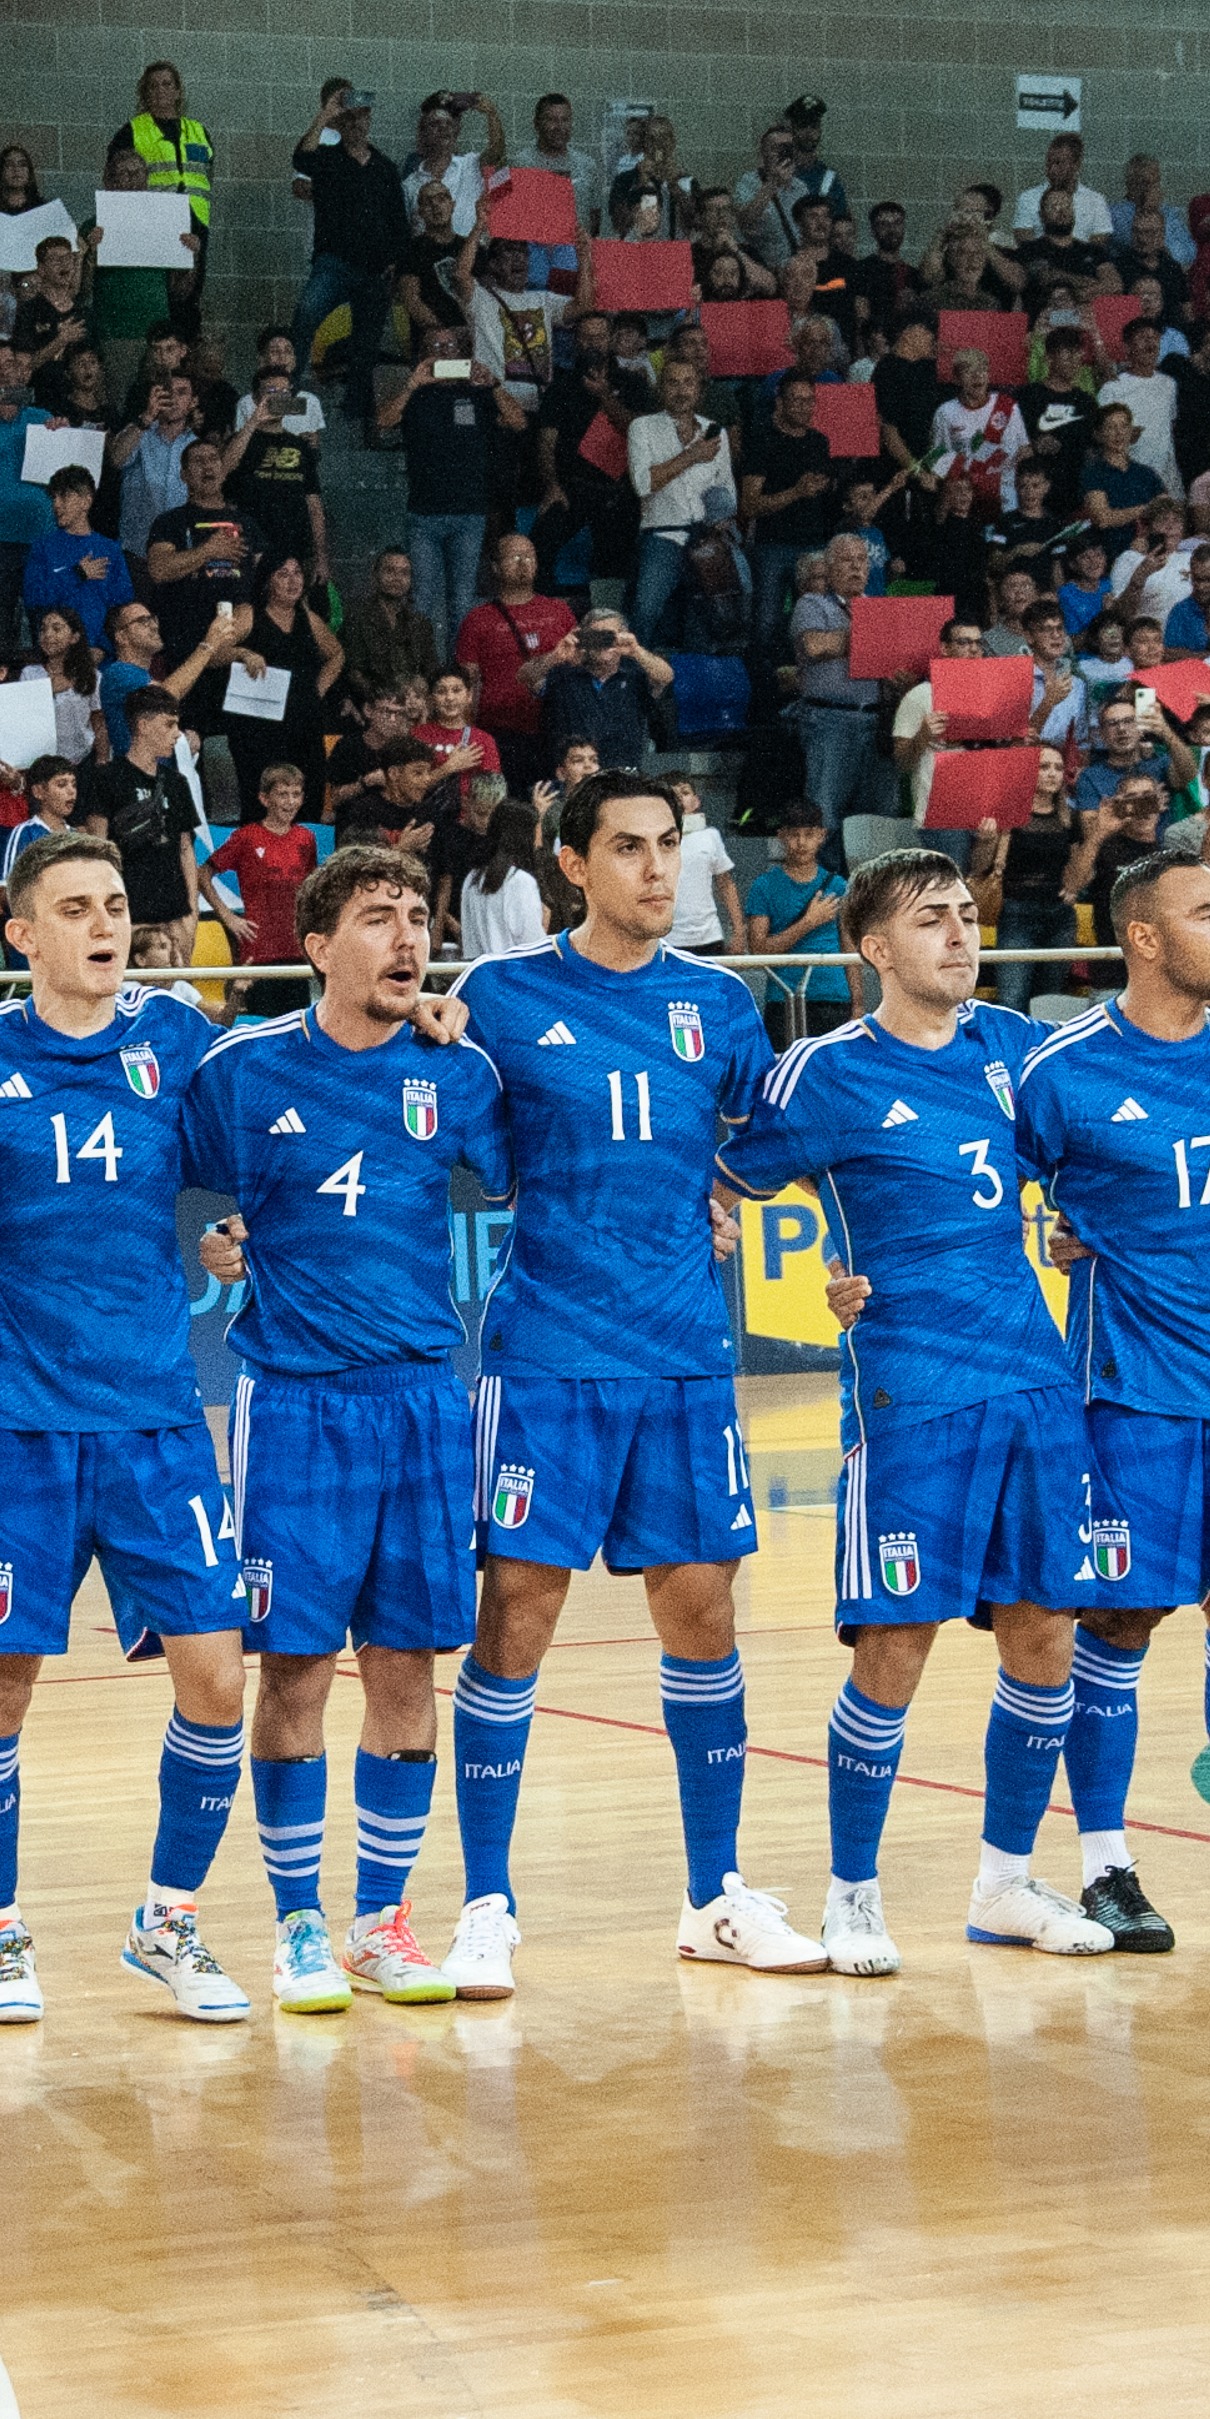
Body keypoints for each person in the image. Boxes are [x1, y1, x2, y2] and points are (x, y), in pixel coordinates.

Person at [711, 845, 1118, 1963]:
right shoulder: (821, 1072)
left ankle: (1004, 1884)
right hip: (906, 1400)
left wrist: (1075, 1219)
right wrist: (812, 1292)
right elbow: (713, 1184)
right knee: (893, 1645)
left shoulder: (1018, 1053)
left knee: (1043, 1634)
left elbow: (1098, 1147)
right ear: (873, 948)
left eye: (964, 913)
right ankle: (851, 1891)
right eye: (931, 920)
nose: (960, 933)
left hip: (1033, 1386)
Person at [0, 832, 263, 2025]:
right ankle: (1, 1938)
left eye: (114, 904)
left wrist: (239, 1235)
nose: (105, 926)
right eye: (75, 908)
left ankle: (168, 1922)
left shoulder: (176, 1038)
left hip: (154, 1418)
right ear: (21, 931)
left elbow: (278, 1132)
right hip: (13, 1422)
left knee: (216, 1680)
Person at [444, 774, 802, 1979]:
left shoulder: (721, 1002)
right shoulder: (496, 994)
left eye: (671, 847)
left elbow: (772, 1136)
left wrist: (727, 1190)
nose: (658, 870)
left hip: (686, 1361)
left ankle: (715, 1896)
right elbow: (440, 1120)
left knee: (701, 1611)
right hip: (547, 1355)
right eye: (630, 849)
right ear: (569, 865)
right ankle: (484, 1903)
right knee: (517, 1618)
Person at [173, 847, 508, 2008]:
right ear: (316, 947)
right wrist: (217, 1243)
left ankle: (382, 1922)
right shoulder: (242, 1070)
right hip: (297, 1404)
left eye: (418, 917)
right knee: (299, 1671)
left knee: (408, 1667)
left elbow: (543, 1178)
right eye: (377, 919)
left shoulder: (454, 1070)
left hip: (423, 1397)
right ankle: (296, 1925)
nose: (407, 939)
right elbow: (157, 1182)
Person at [1011, 854, 1210, 1935]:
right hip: (1126, 1392)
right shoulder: (1058, 1069)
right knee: (1119, 1616)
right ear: (1142, 938)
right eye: (1207, 914)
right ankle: (1105, 1864)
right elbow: (966, 1186)